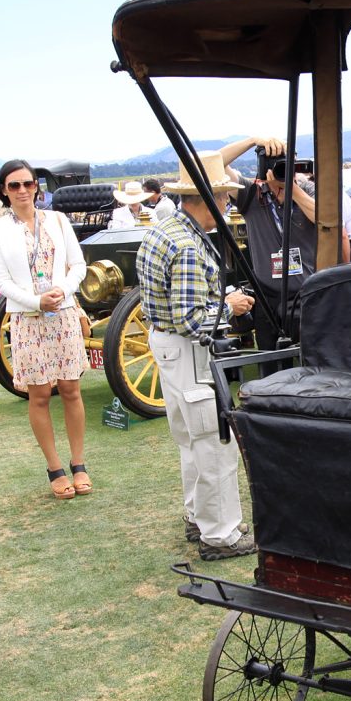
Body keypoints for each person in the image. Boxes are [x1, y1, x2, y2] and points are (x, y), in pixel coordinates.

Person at [135, 151, 258, 559]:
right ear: (206, 199)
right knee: (214, 440)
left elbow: (173, 306)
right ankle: (220, 534)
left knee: (190, 438)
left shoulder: (164, 229)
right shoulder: (188, 245)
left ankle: (197, 518)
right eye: (223, 197)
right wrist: (230, 306)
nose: (226, 205)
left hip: (166, 346)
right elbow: (190, 321)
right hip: (188, 350)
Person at [0, 160, 91, 499]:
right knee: (40, 394)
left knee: (71, 389)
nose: (21, 191)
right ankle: (55, 467)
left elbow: (78, 264)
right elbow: (0, 281)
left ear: (36, 187)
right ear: (4, 189)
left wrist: (64, 291)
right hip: (27, 318)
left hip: (61, 313)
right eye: (14, 185)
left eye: (27, 184)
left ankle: (79, 463)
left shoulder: (58, 221)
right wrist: (35, 301)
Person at [218, 136, 318, 347]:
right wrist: (252, 141)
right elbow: (215, 164)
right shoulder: (252, 194)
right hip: (266, 297)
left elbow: (326, 218)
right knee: (270, 363)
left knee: (310, 364)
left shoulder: (307, 190)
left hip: (305, 293)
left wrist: (292, 190)